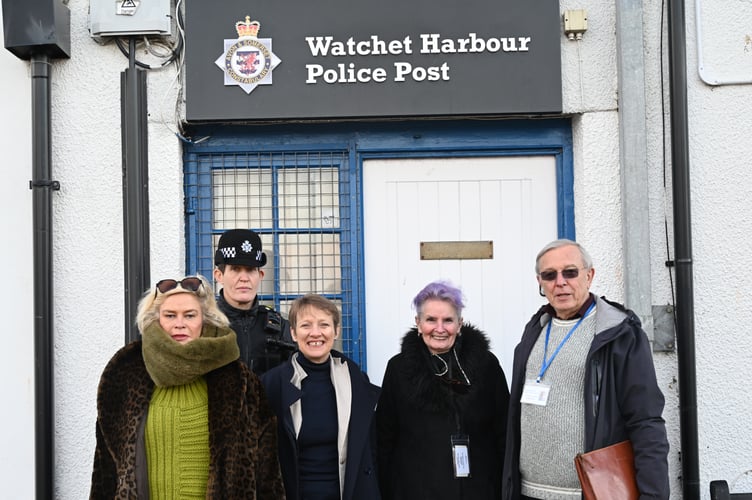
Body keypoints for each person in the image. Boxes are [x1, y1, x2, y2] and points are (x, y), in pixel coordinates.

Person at [90, 275, 286, 499]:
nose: (179, 324)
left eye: (190, 315)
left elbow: (267, 475)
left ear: (206, 319)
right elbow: (105, 473)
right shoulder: (125, 375)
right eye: (170, 315)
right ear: (156, 319)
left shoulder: (240, 382)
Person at [501, 239, 670, 500]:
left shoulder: (618, 333)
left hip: (591, 493)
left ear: (589, 276)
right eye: (549, 275)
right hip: (528, 493)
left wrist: (653, 495)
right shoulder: (535, 329)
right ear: (540, 282)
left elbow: (645, 420)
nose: (560, 282)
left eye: (570, 272)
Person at [376, 280, 509, 500]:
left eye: (448, 320)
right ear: (418, 323)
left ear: (460, 324)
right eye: (431, 320)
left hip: (478, 488)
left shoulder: (486, 365)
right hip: (415, 489)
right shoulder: (398, 368)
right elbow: (385, 436)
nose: (440, 329)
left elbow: (503, 429)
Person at [261, 294, 381, 500]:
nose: (315, 333)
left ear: (336, 331)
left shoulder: (356, 381)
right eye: (306, 325)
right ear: (293, 333)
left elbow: (372, 448)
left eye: (324, 325)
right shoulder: (272, 385)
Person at [214, 228, 295, 375]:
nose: (244, 278)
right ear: (219, 276)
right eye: (236, 269)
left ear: (260, 275)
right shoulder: (205, 323)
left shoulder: (280, 328)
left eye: (250, 270)